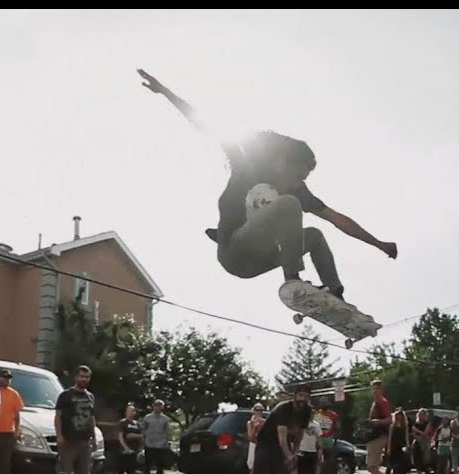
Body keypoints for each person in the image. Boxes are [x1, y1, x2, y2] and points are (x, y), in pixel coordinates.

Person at [136, 69, 397, 301]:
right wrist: (165, 92)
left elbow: (337, 219)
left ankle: (335, 293)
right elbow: (204, 124)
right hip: (234, 251)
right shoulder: (246, 165)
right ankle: (293, 279)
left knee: (315, 236)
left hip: (259, 262)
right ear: (283, 162)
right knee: (288, 205)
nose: (301, 182)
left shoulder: (298, 191)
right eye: (300, 174)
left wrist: (378, 243)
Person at [245, 384, 312, 474]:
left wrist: (294, 453)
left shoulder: (307, 410)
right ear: (294, 396)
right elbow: (281, 436)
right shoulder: (283, 408)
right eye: (300, 395)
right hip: (267, 442)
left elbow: (299, 434)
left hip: (284, 442)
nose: (303, 399)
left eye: (306, 396)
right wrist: (288, 455)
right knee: (258, 473)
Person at [54, 364, 96, 474]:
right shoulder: (65, 395)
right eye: (82, 376)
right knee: (65, 473)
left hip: (84, 439)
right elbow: (58, 416)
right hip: (68, 438)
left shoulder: (90, 397)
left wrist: (94, 436)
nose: (84, 379)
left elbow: (91, 418)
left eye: (87, 377)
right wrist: (59, 435)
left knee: (82, 473)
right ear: (76, 377)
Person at [359, 379, 396, 474]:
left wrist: (376, 422)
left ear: (382, 389)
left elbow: (390, 420)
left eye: (377, 388)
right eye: (373, 388)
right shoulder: (376, 402)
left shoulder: (382, 402)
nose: (375, 391)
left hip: (378, 437)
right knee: (374, 467)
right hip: (374, 436)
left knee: (371, 467)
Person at [116, 403, 143, 474]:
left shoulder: (137, 424)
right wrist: (125, 447)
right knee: (121, 471)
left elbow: (141, 436)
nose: (131, 412)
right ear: (126, 412)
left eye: (132, 411)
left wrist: (140, 448)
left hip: (134, 450)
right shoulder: (123, 422)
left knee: (131, 471)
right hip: (123, 451)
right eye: (129, 411)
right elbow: (120, 436)